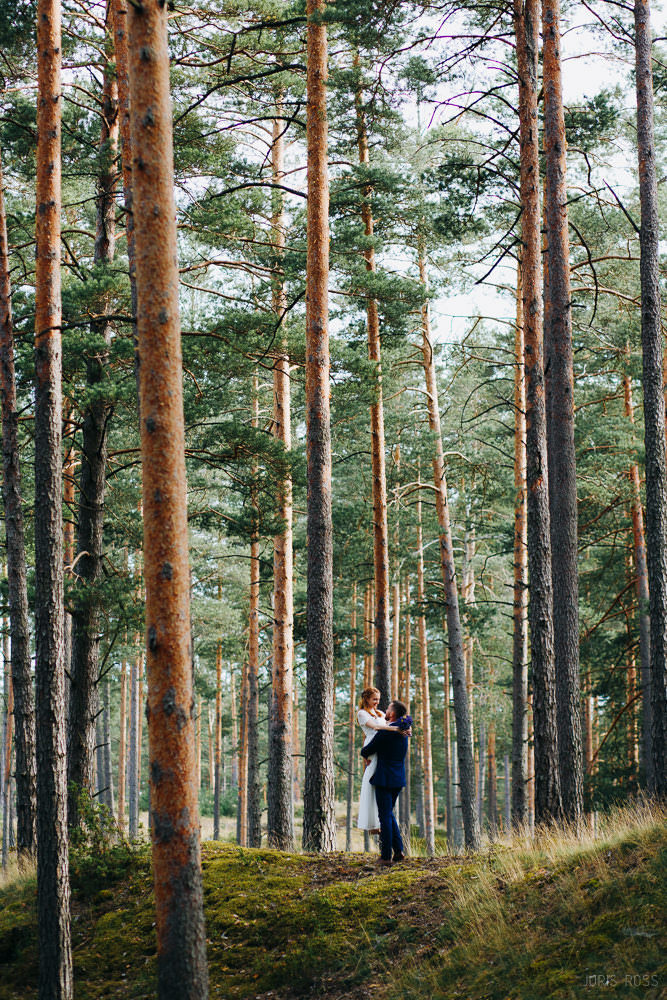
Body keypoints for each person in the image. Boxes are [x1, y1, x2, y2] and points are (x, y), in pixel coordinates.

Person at [360, 699, 411, 867]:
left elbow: (367, 750)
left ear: (393, 713)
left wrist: (364, 752)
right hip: (398, 778)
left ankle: (386, 856)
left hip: (384, 779)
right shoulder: (404, 730)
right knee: (389, 814)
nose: (386, 710)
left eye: (388, 709)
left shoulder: (386, 733)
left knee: (384, 817)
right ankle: (399, 851)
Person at [356, 687, 408, 834]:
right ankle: (373, 823)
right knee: (373, 780)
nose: (377, 702)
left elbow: (395, 721)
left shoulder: (380, 713)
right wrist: (395, 729)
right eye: (374, 699)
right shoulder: (362, 713)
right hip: (373, 745)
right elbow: (376, 727)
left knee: (381, 781)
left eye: (378, 699)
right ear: (366, 699)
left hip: (383, 746)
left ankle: (381, 820)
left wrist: (406, 727)